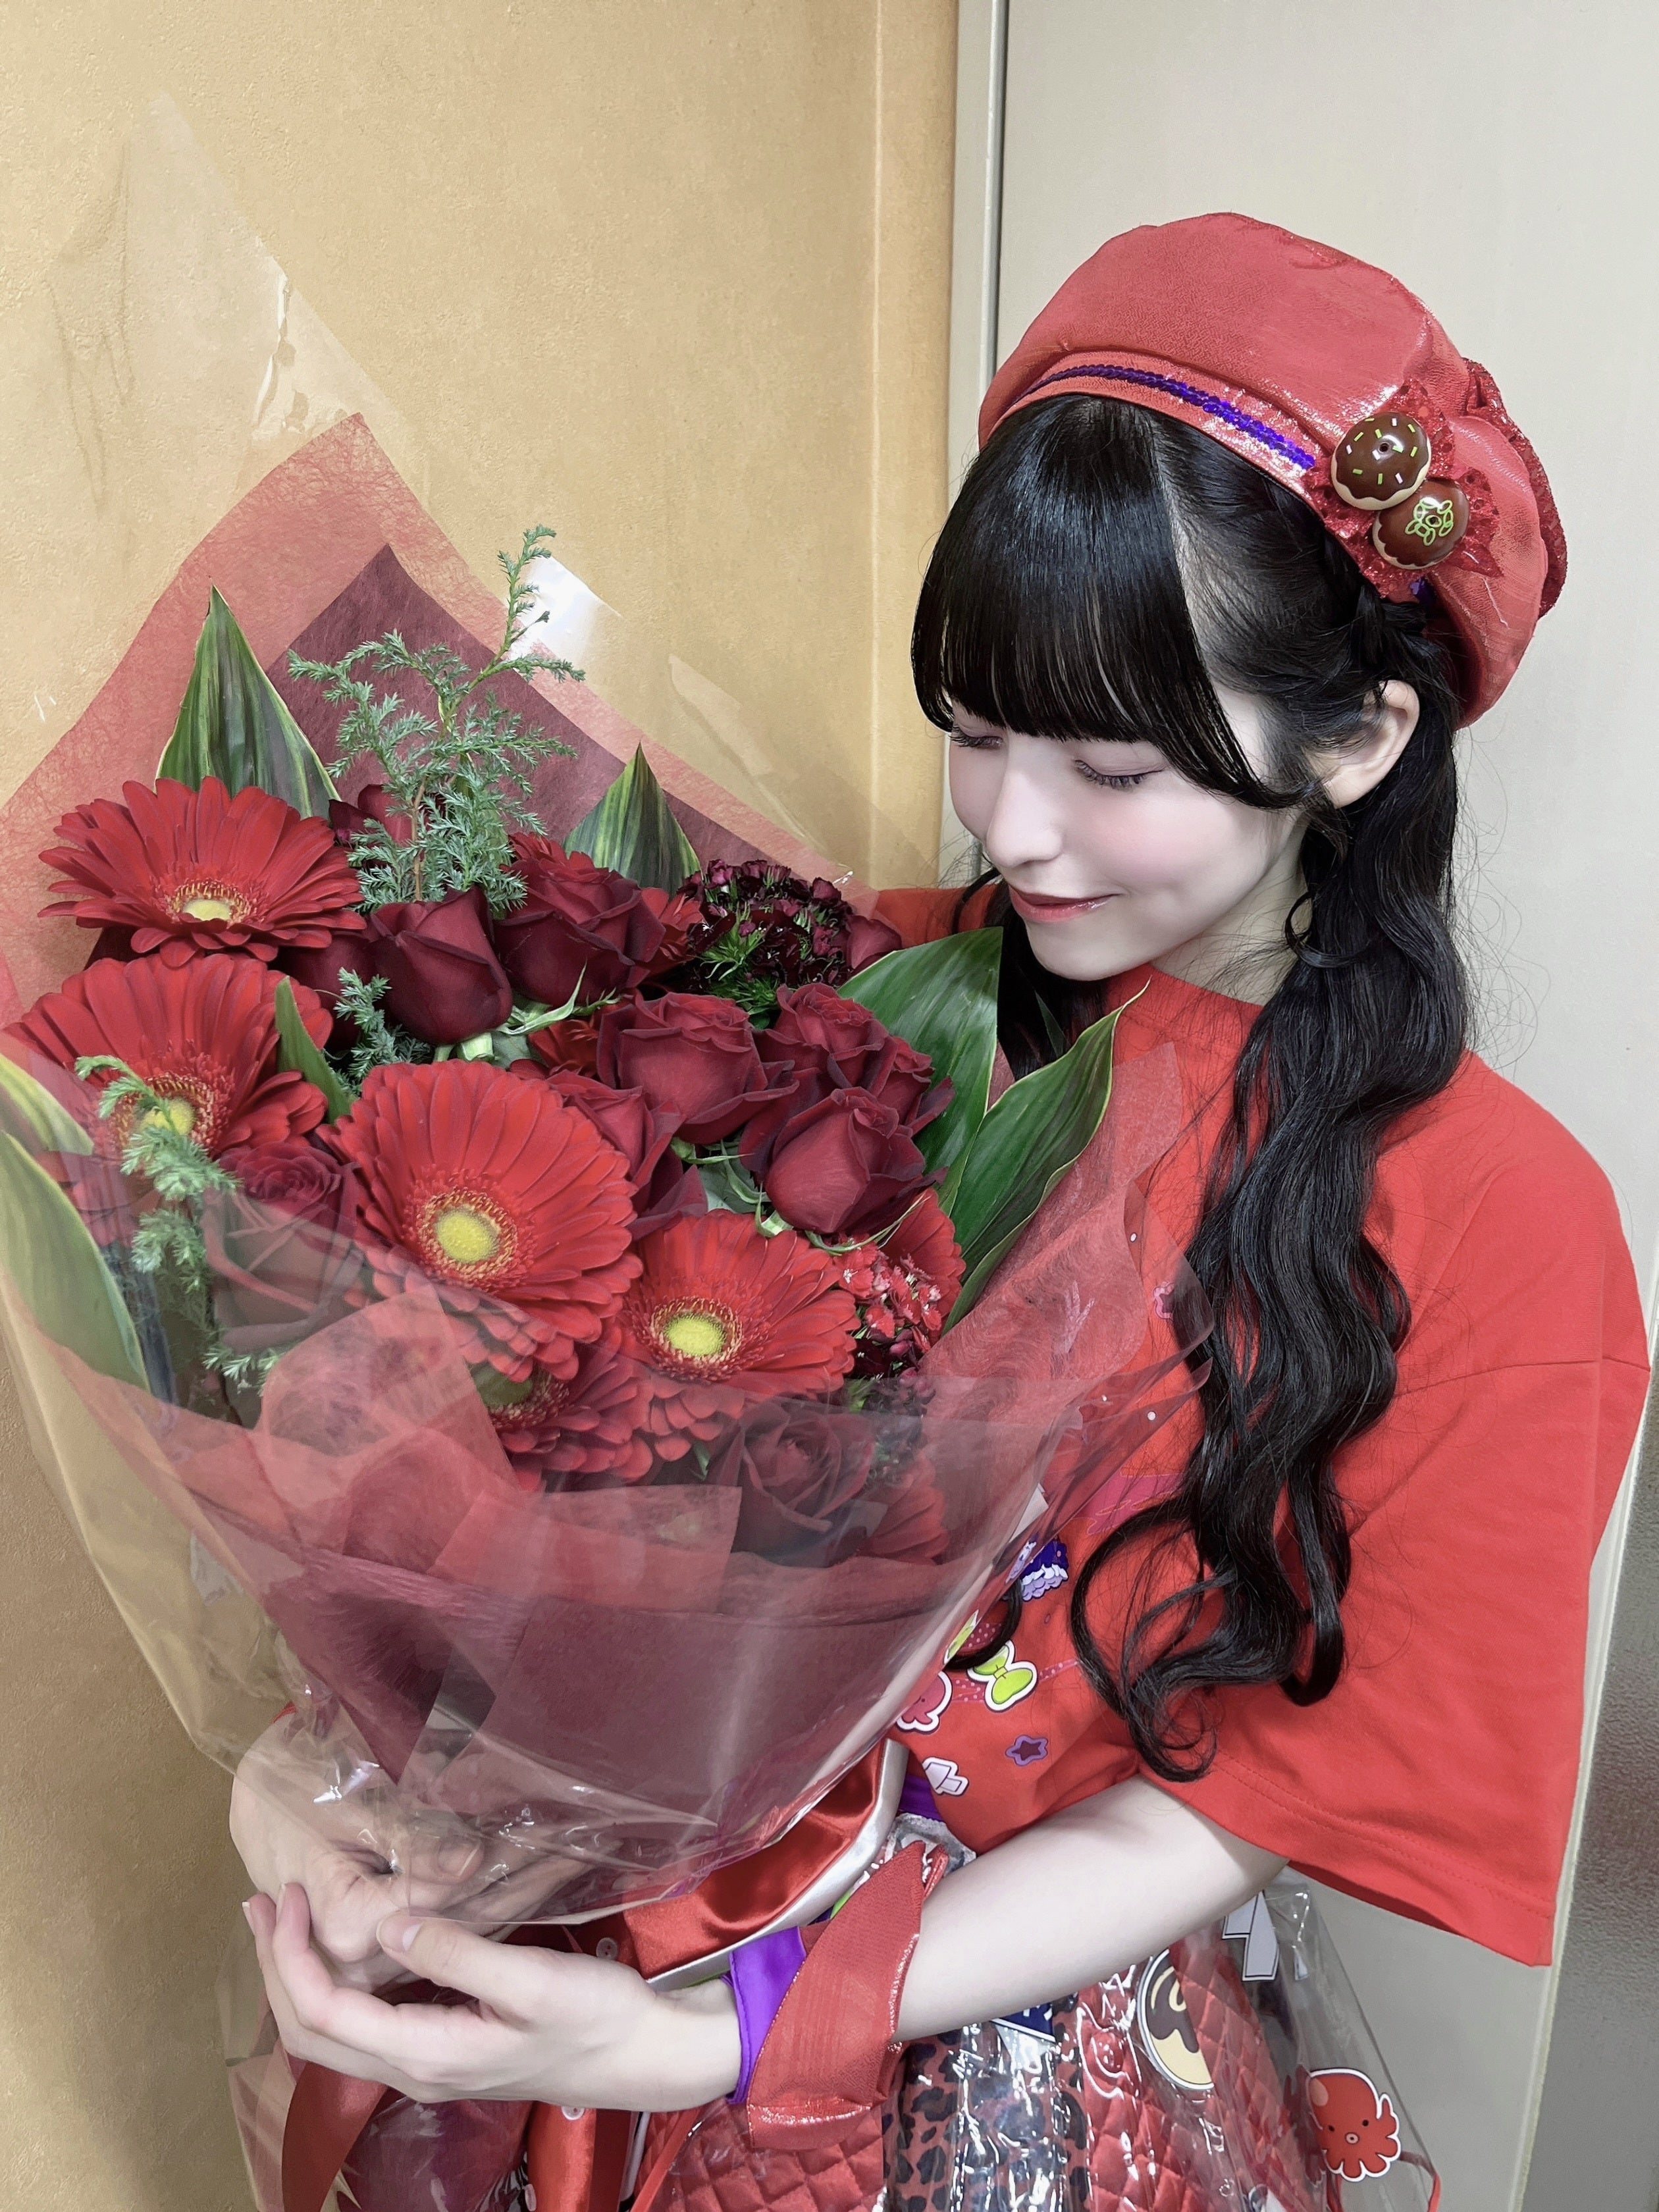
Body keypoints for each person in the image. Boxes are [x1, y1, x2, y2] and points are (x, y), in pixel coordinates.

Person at [238, 215, 1649, 2201]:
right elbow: (471, 1461)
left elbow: (1262, 1799)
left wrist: (718, 2032)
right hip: (561, 1984)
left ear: (1356, 739)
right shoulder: (811, 1013)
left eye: (1111, 766)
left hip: (1020, 2081)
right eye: (977, 733)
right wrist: (315, 1768)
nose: (1015, 828)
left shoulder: (1493, 1218)